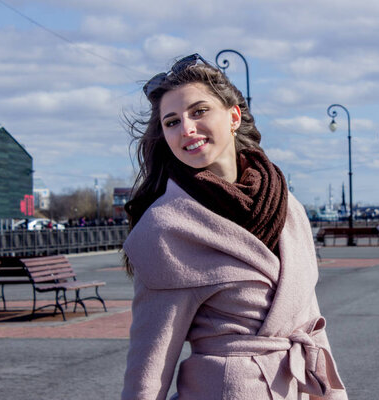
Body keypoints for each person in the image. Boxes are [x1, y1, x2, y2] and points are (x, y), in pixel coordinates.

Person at [121, 54, 347, 400]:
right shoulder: (166, 228)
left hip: (297, 389)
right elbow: (150, 359)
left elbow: (309, 319)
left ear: (234, 116)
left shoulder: (288, 206)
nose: (187, 129)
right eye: (172, 122)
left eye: (199, 111)